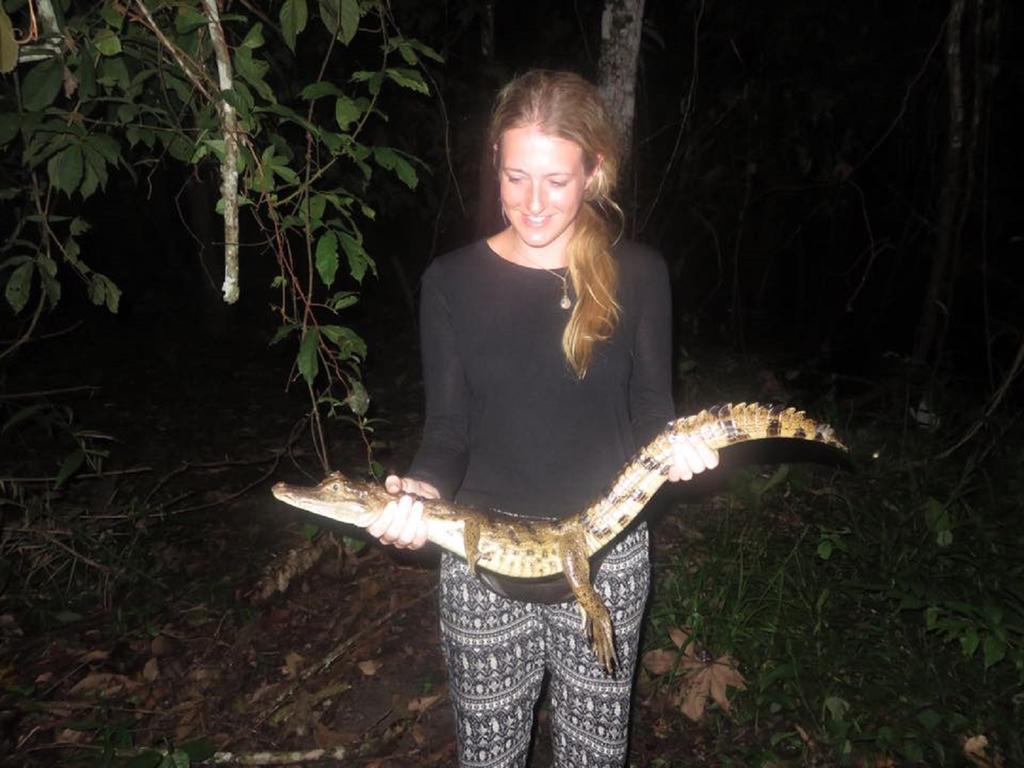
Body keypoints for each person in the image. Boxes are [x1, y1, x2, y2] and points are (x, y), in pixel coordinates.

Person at [367, 69, 718, 768]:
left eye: (556, 181)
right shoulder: (450, 283)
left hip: (608, 562)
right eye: (515, 176)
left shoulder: (640, 274)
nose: (532, 203)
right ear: (495, 165)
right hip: (479, 569)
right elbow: (449, 431)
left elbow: (651, 410)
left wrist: (677, 449)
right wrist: (421, 497)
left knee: (595, 757)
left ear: (594, 173)